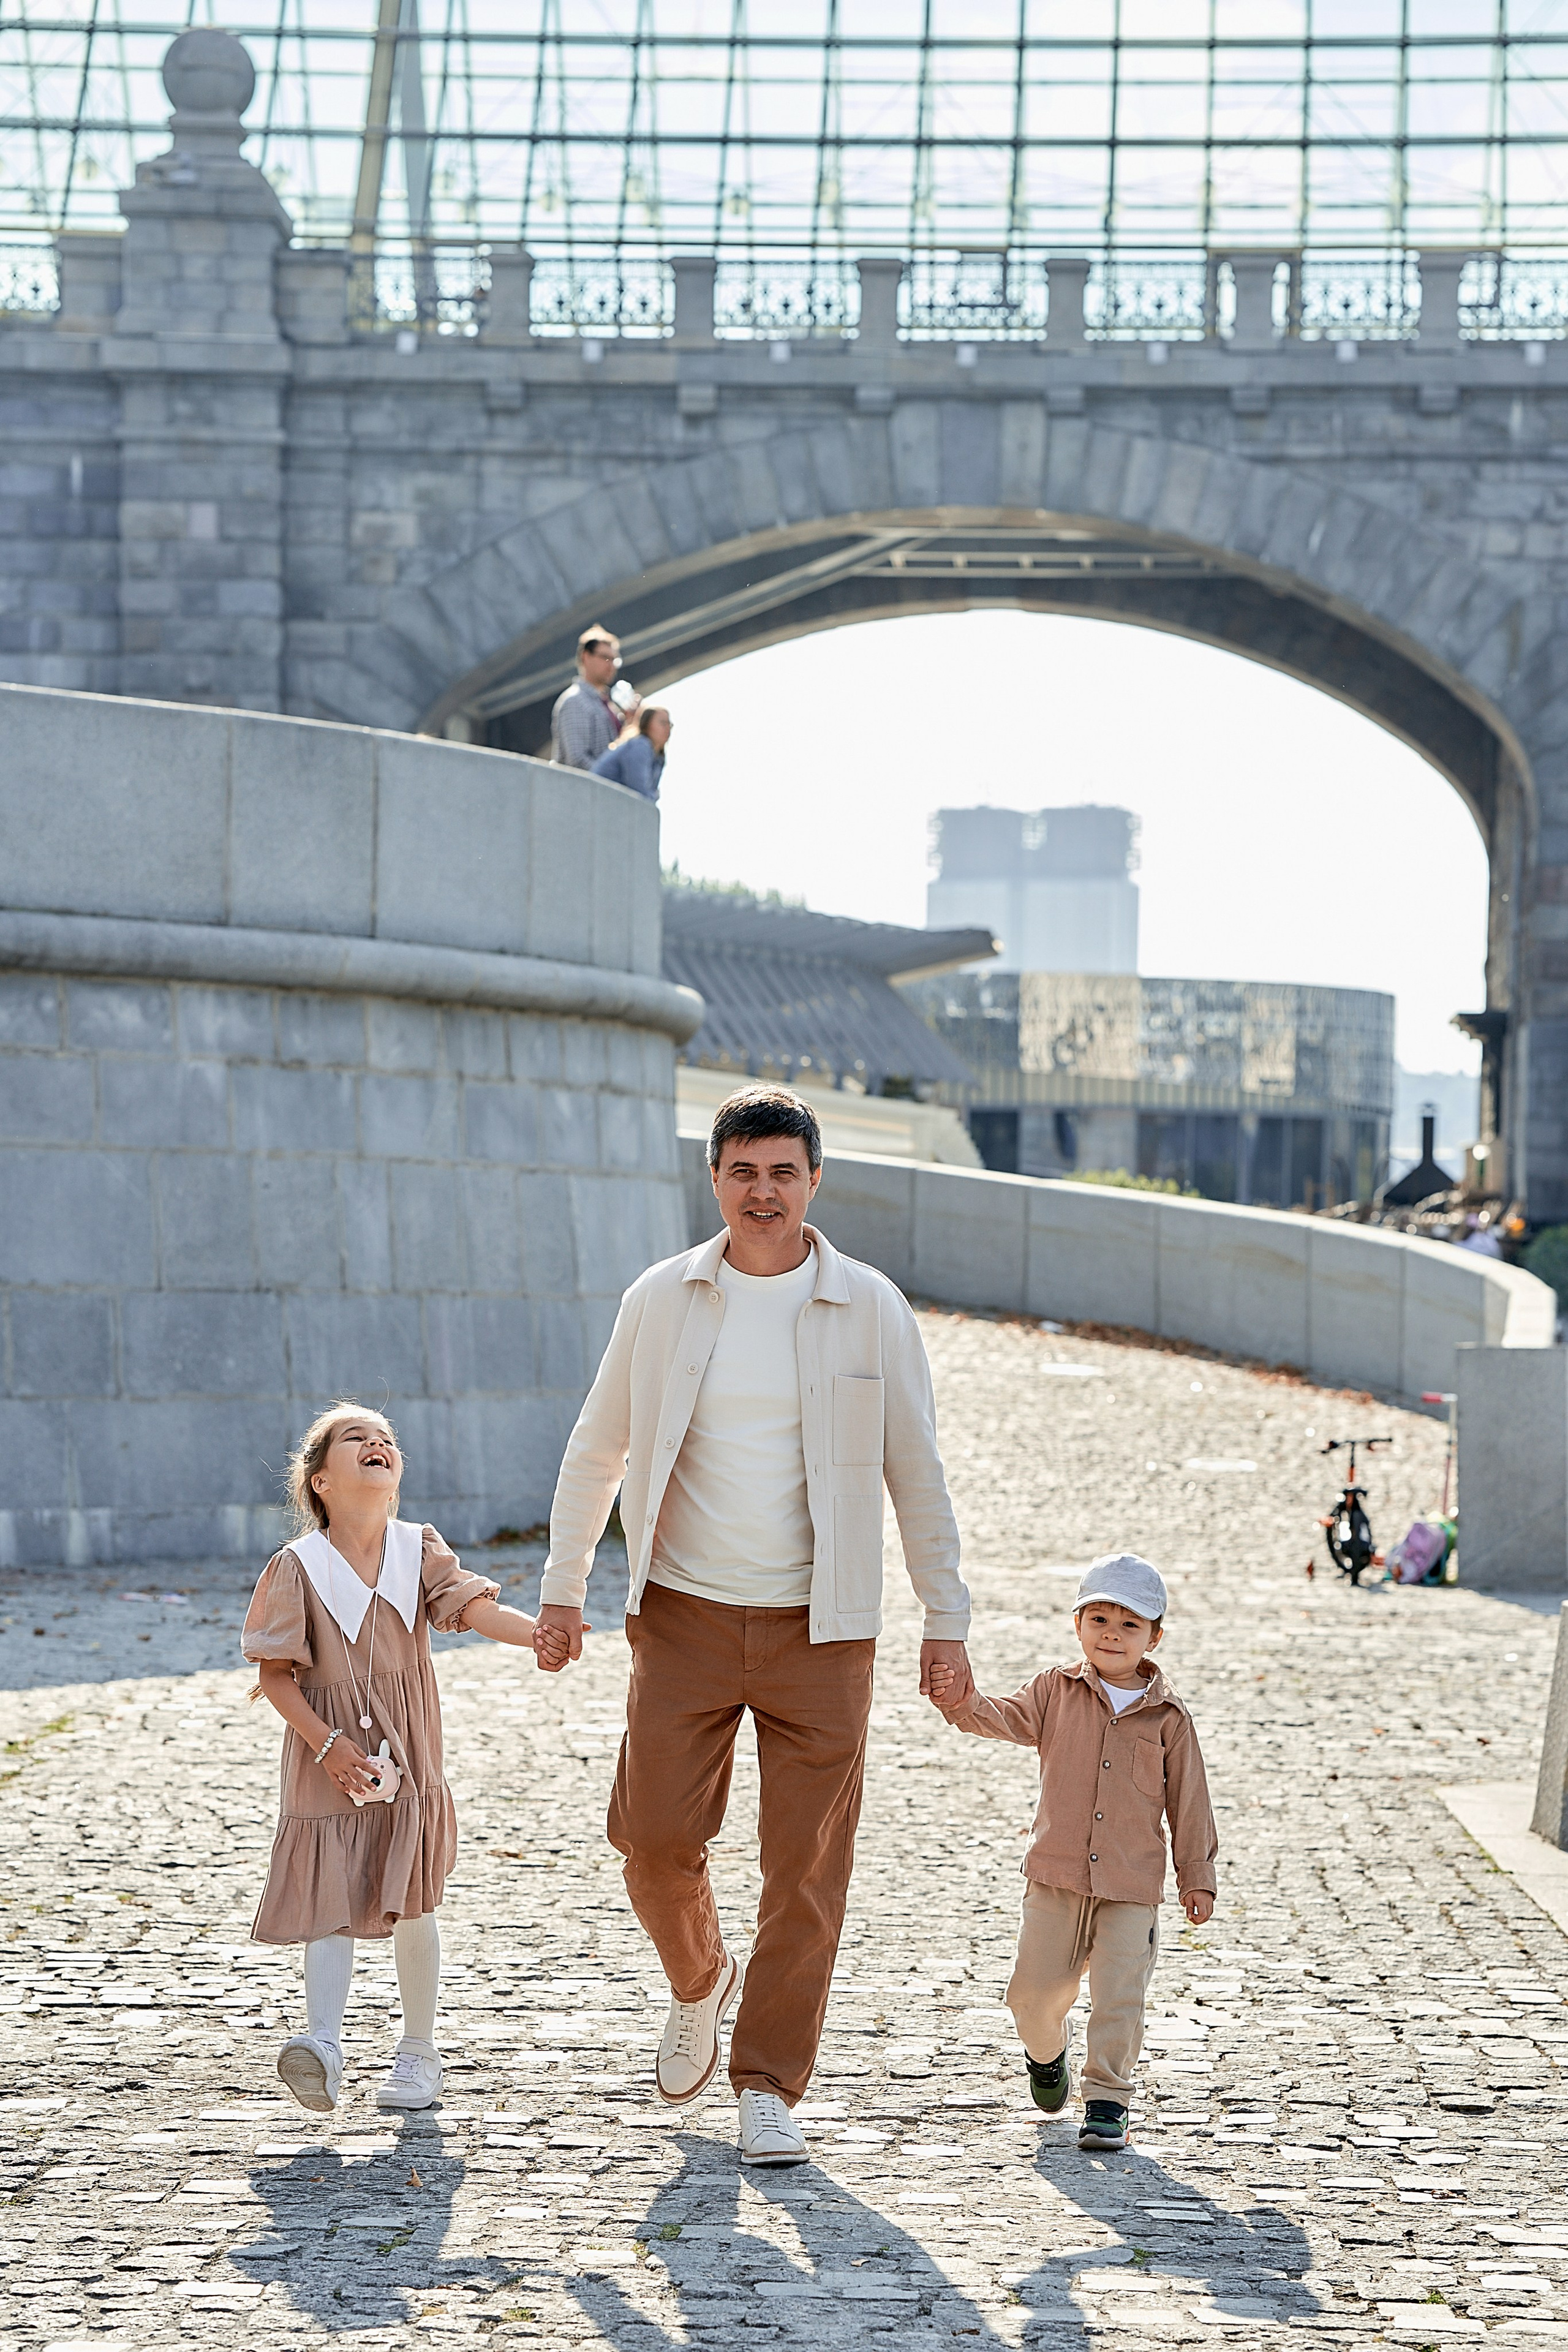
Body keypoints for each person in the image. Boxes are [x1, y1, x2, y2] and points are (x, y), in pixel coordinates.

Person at [534, 1084, 973, 2168]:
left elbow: (917, 1471)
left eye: (784, 1171)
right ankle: (698, 1977)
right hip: (681, 1613)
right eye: (743, 1172)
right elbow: (601, 1447)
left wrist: (945, 1616)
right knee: (650, 1840)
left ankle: (769, 2084)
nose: (763, 1191)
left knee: (806, 1870)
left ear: (815, 1180)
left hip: (825, 1628)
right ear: (715, 1181)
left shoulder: (870, 1306)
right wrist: (560, 1585)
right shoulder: (663, 1298)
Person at [243, 1401, 562, 2114]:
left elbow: (472, 1608)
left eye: (385, 1438)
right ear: (320, 1480)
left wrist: (537, 1634)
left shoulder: (418, 1547)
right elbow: (275, 1676)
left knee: (412, 1895)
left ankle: (418, 2052)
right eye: (356, 1437)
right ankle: (322, 2044)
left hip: (408, 1751)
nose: (377, 1442)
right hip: (328, 1752)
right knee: (331, 1893)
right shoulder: (297, 1567)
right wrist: (327, 1747)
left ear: (395, 1474)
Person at [928, 1553, 1216, 2154]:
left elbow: (1190, 1800)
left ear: (1154, 1637)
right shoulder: (1053, 1691)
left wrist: (1197, 1875)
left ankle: (1108, 2099)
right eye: (1099, 1618)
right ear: (1078, 1625)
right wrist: (960, 1700)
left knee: (1120, 1994)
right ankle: (1046, 2055)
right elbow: (1000, 1717)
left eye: (1129, 1624)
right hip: (1055, 1877)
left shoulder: (1169, 1718)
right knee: (1032, 1996)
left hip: (1130, 1887)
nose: (1111, 1633)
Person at [551, 625, 633, 770]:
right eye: (605, 658)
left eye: (615, 660)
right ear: (586, 657)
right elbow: (577, 761)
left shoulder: (609, 706)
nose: (611, 666)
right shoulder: (575, 701)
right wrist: (610, 782)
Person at [592, 704, 671, 802]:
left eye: (670, 724)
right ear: (646, 725)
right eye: (663, 723)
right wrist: (653, 797)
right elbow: (639, 792)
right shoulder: (641, 745)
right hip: (597, 800)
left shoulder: (659, 758)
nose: (668, 729)